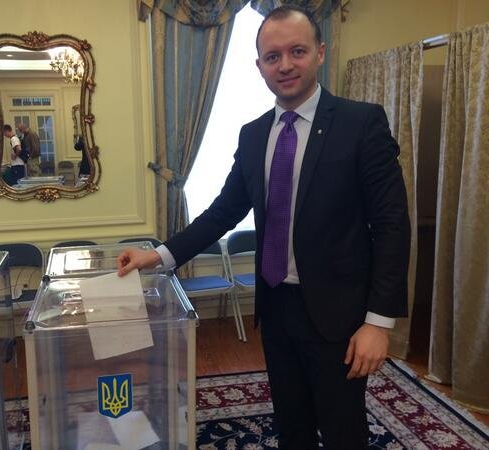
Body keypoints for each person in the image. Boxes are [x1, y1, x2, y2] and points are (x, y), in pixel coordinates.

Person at [117, 5, 410, 450]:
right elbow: (223, 212)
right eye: (273, 56)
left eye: (297, 51)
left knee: (342, 429)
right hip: (274, 307)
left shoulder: (361, 123)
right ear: (260, 66)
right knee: (291, 423)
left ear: (320, 53)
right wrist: (158, 256)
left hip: (338, 314)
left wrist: (378, 322)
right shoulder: (253, 135)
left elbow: (391, 225)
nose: (285, 65)